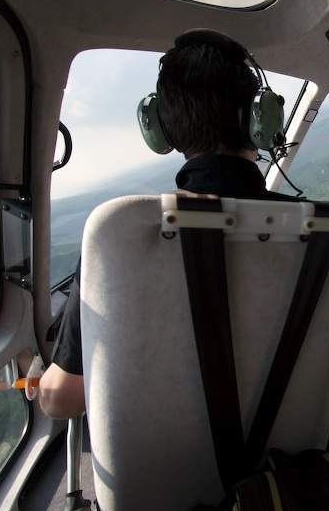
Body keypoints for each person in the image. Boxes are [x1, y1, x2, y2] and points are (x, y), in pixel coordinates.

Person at [39, 29, 298, 419]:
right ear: (262, 119)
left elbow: (62, 401)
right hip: (296, 463)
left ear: (162, 129)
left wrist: (40, 380)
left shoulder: (120, 237)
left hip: (161, 472)